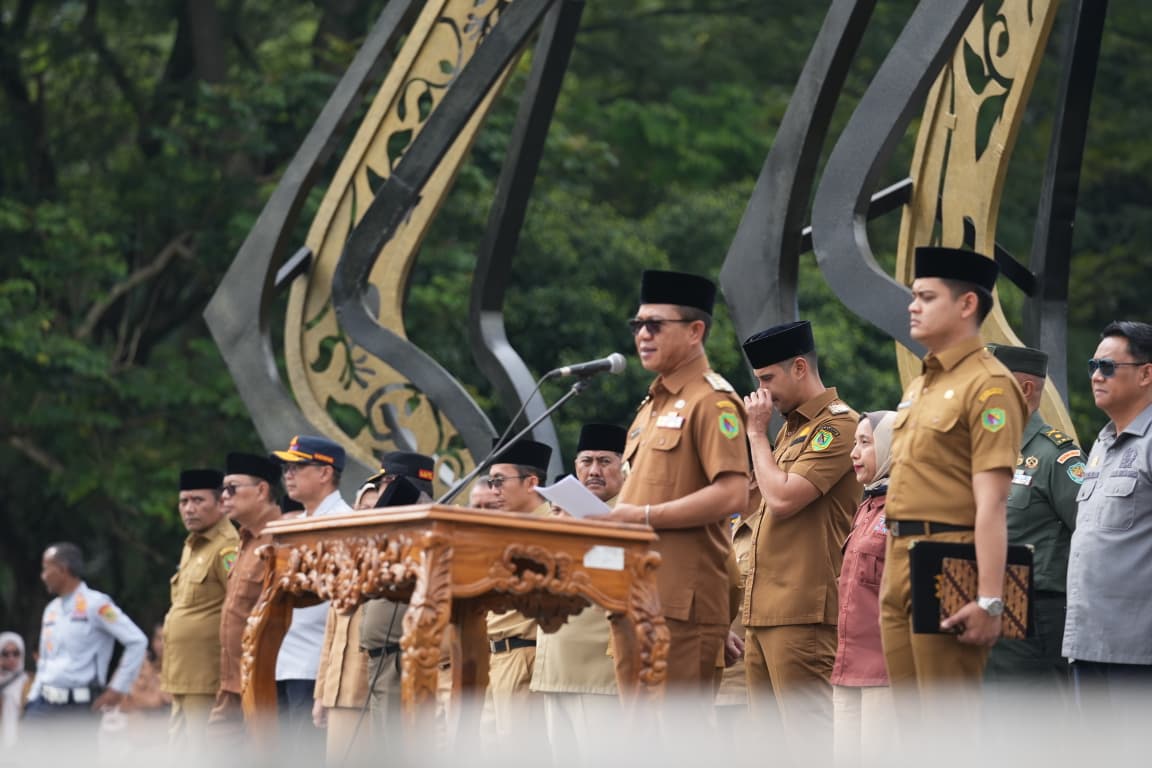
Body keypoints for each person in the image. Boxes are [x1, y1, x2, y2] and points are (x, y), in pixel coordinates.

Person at [878, 246, 1026, 728]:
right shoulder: (921, 382)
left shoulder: (989, 385)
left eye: (925, 296)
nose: (912, 306)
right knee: (910, 727)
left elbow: (993, 503)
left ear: (967, 305)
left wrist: (990, 599)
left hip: (951, 557)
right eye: (913, 297)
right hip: (899, 555)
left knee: (947, 727)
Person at [600, 269, 749, 691]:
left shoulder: (712, 401)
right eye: (637, 325)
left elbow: (733, 492)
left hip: (682, 607)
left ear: (695, 330)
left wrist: (644, 515)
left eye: (655, 325)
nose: (642, 335)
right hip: (635, 595)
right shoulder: (650, 405)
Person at [739, 320, 861, 754]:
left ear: (798, 368)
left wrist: (755, 434)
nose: (762, 393)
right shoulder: (791, 428)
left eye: (767, 379)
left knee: (810, 749)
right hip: (763, 612)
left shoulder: (839, 425)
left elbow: (784, 498)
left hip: (802, 613)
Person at [982, 345, 1083, 696]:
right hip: (983, 604)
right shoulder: (985, 450)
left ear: (1024, 390)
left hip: (1036, 614)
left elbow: (1089, 536)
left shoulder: (1056, 457)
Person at [1063, 321, 1152, 711]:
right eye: (1093, 365)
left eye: (1109, 367)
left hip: (1138, 650)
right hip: (1088, 641)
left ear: (1147, 373)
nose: (1097, 376)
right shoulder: (1101, 443)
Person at [531, 424, 625, 763]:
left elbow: (622, 569)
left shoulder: (629, 515)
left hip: (599, 675)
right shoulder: (559, 514)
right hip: (553, 669)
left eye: (605, 462)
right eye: (586, 462)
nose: (594, 471)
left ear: (623, 464)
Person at [270, 435, 353, 745]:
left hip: (316, 665)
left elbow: (344, 606)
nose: (287, 474)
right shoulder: (299, 522)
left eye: (298, 466)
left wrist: (328, 685)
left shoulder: (345, 523)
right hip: (287, 660)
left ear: (325, 473)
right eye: (285, 468)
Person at [831, 411, 898, 765]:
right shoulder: (866, 508)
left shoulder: (906, 509)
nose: (854, 454)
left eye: (866, 443)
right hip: (846, 667)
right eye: (854, 444)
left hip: (884, 672)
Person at [24, 543, 147, 726]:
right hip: (43, 704)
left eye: (45, 569)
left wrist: (117, 688)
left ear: (62, 569)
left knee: (75, 755)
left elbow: (137, 641)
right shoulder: (51, 610)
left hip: (78, 708)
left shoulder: (97, 605)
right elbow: (45, 661)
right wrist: (33, 698)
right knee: (25, 753)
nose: (43, 576)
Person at [356, 452, 436, 729]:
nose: (379, 494)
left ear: (393, 483)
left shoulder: (428, 526)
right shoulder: (392, 529)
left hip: (403, 658)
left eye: (381, 487)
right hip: (381, 659)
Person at [207, 452, 283, 738]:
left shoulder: (281, 538)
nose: (224, 496)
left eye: (232, 488)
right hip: (230, 684)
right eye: (222, 490)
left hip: (263, 684)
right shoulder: (244, 539)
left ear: (262, 490)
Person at [161, 468, 239, 746]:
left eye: (198, 500)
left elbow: (239, 609)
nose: (189, 509)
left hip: (208, 677)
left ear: (220, 503)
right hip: (183, 675)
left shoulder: (227, 547)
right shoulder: (193, 545)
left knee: (203, 753)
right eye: (184, 502)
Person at [483, 437, 552, 739]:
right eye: (490, 482)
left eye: (499, 482)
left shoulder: (557, 526)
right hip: (493, 659)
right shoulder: (505, 528)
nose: (493, 491)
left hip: (526, 657)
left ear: (531, 482)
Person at [1, 632, 29, 749]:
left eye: (16, 653)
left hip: (20, 744)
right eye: (5, 654)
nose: (11, 658)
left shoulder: (29, 683)